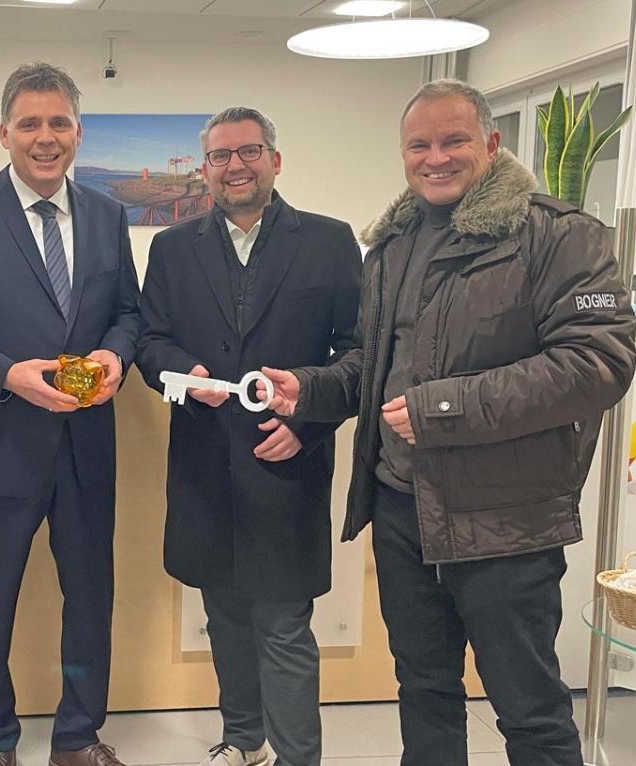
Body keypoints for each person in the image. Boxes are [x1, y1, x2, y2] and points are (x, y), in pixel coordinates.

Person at [262, 79, 636, 766]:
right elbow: (377, 365)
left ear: (491, 143)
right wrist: (309, 390)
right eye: (419, 145)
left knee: (529, 709)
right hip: (401, 511)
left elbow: (597, 365)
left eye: (453, 140)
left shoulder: (559, 236)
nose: (435, 157)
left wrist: (443, 408)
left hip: (505, 523)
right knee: (424, 690)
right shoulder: (392, 246)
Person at [0, 62, 140, 766]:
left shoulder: (106, 214)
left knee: (89, 601)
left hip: (85, 445)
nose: (46, 137)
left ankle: (77, 735)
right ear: (4, 133)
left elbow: (128, 313)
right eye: (30, 123)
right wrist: (5, 374)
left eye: (59, 123)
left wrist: (115, 356)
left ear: (78, 132)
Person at [137, 107, 361, 766]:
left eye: (249, 152)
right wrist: (183, 375)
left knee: (284, 626)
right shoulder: (173, 248)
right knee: (225, 618)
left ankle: (297, 759)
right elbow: (150, 342)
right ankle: (244, 741)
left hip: (286, 465)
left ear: (275, 161)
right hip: (204, 466)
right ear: (205, 169)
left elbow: (359, 353)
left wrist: (308, 419)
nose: (235, 166)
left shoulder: (329, 241)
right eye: (221, 155)